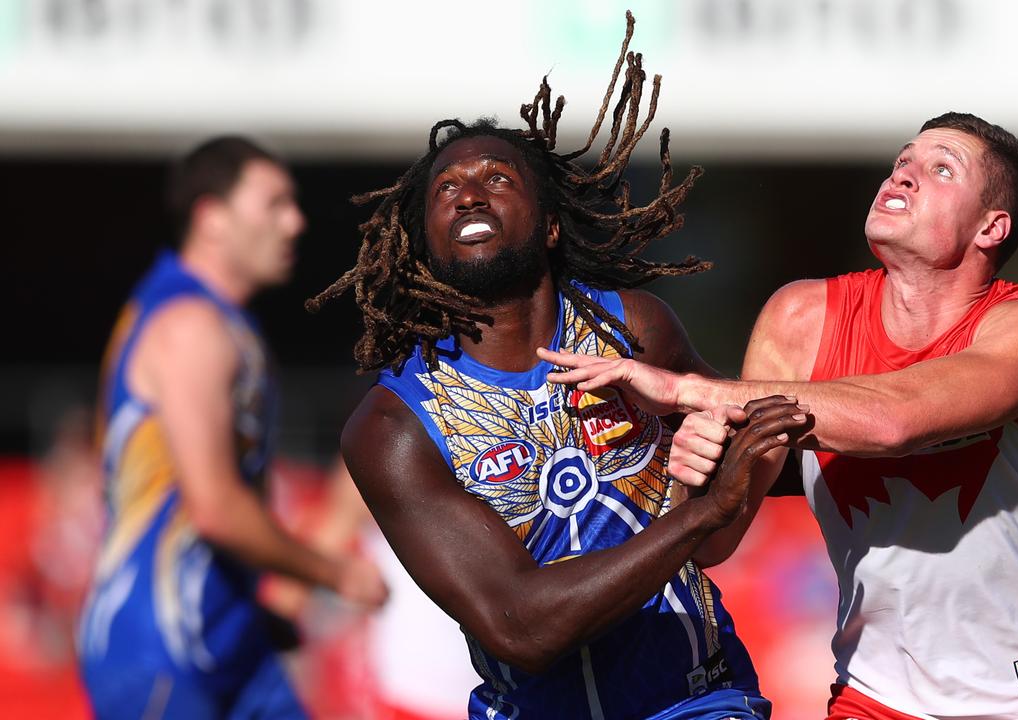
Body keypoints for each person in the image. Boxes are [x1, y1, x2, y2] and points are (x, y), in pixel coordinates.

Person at [539, 112, 1018, 719]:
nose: (902, 177)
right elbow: (716, 542)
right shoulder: (800, 318)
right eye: (902, 161)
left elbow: (894, 421)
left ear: (991, 227)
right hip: (876, 701)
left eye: (940, 169)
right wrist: (701, 474)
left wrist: (694, 391)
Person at [307, 13, 804, 720]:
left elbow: (743, 483)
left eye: (496, 179)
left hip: (696, 702)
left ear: (547, 224)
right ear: (425, 245)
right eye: (445, 190)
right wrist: (700, 519)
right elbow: (521, 628)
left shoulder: (634, 329)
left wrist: (740, 467)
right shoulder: (392, 425)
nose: (468, 194)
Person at [78, 136, 389, 720]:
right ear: (211, 219)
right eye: (273, 203)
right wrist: (334, 573)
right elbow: (214, 508)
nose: (295, 222)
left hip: (230, 639)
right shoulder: (190, 326)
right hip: (165, 647)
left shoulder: (217, 321)